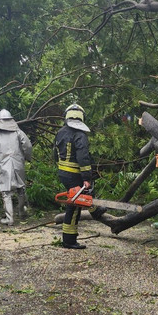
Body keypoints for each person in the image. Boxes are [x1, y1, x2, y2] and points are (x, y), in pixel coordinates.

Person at [53, 103, 106, 249]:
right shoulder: (80, 135)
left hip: (63, 173)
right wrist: (86, 178)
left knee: (80, 199)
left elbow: (55, 155)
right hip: (75, 174)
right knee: (75, 206)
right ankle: (69, 241)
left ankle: (95, 211)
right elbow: (83, 158)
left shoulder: (60, 132)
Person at [0, 109, 32, 226]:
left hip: (4, 165)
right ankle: (21, 212)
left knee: (6, 192)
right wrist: (27, 157)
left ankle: (10, 218)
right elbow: (27, 146)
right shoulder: (18, 132)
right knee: (21, 188)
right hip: (18, 163)